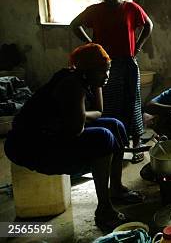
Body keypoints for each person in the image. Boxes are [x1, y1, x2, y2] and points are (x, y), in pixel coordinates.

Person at [4, 44, 144, 231]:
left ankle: (116, 188)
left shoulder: (89, 79)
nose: (107, 76)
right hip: (29, 145)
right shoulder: (72, 84)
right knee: (103, 138)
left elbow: (99, 112)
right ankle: (104, 209)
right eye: (102, 72)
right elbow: (75, 130)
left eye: (108, 70)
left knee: (116, 125)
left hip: (56, 130)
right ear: (86, 71)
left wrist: (77, 112)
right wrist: (76, 114)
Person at [70, 0, 153, 163]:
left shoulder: (130, 8)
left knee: (132, 103)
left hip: (127, 63)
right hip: (104, 66)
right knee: (108, 106)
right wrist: (92, 44)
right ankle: (113, 143)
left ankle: (136, 144)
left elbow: (148, 25)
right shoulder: (95, 10)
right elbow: (75, 25)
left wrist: (138, 46)